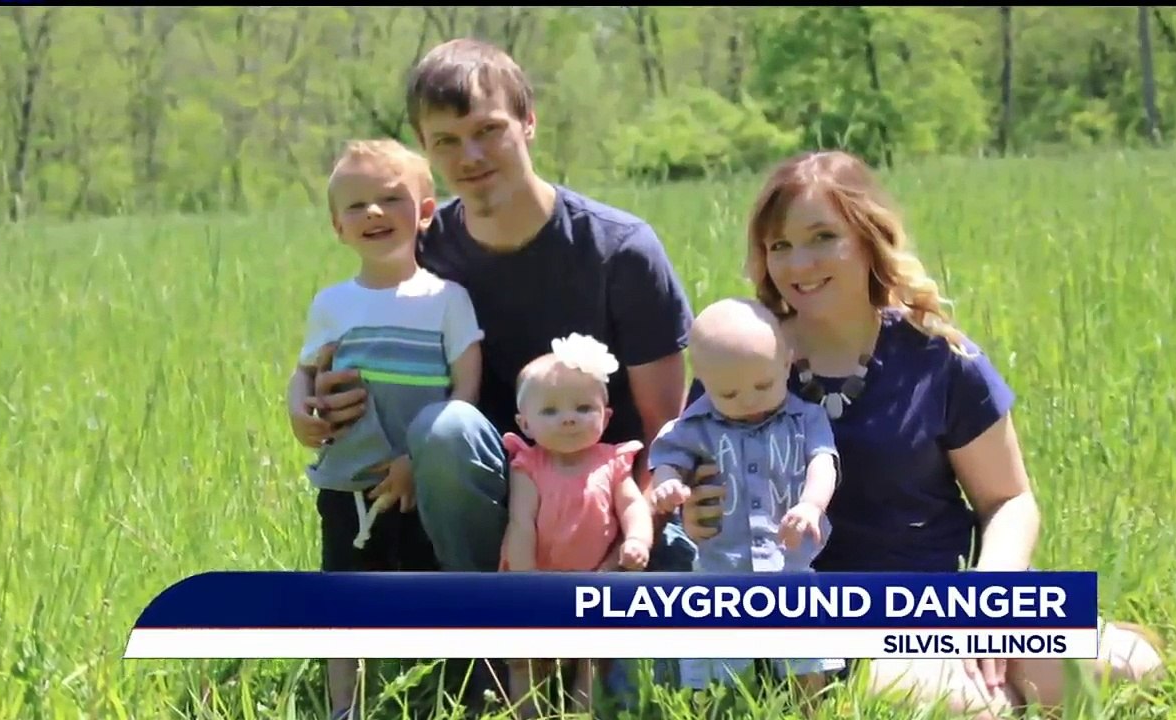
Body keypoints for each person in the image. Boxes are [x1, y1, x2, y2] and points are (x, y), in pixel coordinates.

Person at [676, 150, 1166, 719]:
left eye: (821, 237)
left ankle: (1022, 676)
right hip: (832, 618)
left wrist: (988, 607)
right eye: (779, 245)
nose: (799, 263)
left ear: (868, 237)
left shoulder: (941, 358)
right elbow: (697, 494)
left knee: (1129, 670)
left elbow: (1008, 500)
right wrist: (697, 515)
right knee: (956, 707)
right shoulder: (741, 356)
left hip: (953, 591)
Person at [292, 38, 697, 708]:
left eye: (489, 131)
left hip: (609, 507)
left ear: (528, 122)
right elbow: (341, 337)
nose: (471, 158)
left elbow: (665, 427)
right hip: (483, 505)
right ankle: (492, 638)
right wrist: (302, 404)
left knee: (653, 689)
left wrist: (630, 538)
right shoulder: (424, 249)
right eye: (446, 142)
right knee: (445, 428)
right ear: (425, 147)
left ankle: (591, 635)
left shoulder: (619, 250)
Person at [285, 138, 484, 720]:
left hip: (420, 480)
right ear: (336, 227)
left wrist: (419, 464)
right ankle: (346, 706)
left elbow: (465, 387)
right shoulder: (333, 303)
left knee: (429, 587)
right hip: (350, 480)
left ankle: (445, 697)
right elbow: (305, 372)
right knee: (344, 596)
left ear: (425, 212)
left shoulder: (447, 300)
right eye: (356, 206)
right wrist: (300, 413)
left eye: (390, 199)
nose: (373, 213)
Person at [647, 297, 843, 712]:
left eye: (763, 385)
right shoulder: (695, 425)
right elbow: (667, 460)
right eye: (729, 392)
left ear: (786, 363)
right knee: (710, 660)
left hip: (790, 564)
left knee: (806, 651)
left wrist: (811, 505)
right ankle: (713, 708)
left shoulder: (805, 418)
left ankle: (812, 708)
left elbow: (823, 462)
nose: (749, 400)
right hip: (720, 568)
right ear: (703, 380)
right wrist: (666, 486)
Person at [500, 333, 655, 716]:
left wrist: (637, 539)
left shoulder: (613, 463)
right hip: (534, 575)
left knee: (589, 655)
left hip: (594, 578)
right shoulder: (528, 466)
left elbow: (634, 505)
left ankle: (581, 710)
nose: (568, 417)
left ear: (606, 416)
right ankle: (527, 710)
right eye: (550, 411)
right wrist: (525, 577)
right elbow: (521, 523)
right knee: (524, 657)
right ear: (525, 424)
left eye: (583, 407)